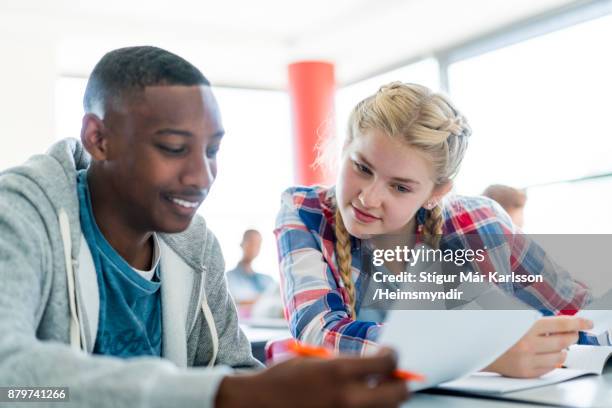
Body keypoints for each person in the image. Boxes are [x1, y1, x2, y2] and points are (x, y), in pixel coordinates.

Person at [0, 46, 409, 408]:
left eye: (212, 150)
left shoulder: (195, 245)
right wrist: (229, 395)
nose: (201, 175)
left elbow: (233, 370)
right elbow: (9, 384)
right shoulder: (21, 215)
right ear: (98, 138)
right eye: (174, 148)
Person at [275, 82, 600, 379]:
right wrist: (487, 354)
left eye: (400, 187)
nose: (368, 198)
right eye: (362, 168)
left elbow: (577, 310)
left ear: (435, 193)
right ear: (345, 147)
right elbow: (320, 335)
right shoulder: (306, 211)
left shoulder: (480, 222)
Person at [226, 229, 275, 312]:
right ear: (242, 244)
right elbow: (234, 300)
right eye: (251, 243)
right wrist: (263, 299)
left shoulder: (267, 279)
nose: (254, 248)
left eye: (258, 245)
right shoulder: (228, 278)